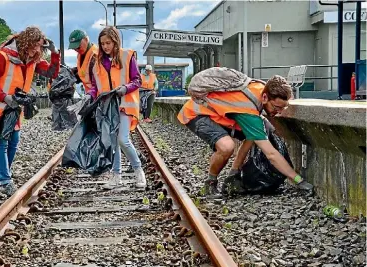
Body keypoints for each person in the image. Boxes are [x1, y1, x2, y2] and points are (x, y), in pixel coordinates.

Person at [178, 73, 314, 196]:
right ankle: (210, 184)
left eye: (282, 108)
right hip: (196, 114)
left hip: (218, 114)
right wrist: (298, 180)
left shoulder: (261, 89)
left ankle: (233, 174)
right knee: (226, 146)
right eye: (276, 107)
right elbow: (271, 154)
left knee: (258, 130)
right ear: (265, 97)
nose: (278, 112)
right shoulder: (248, 110)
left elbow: (253, 134)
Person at [0, 26, 60, 196]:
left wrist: (54, 53)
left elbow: (52, 72)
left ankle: (3, 173)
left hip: (13, 107)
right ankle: (4, 180)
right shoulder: (1, 57)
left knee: (14, 140)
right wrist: (4, 97)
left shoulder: (32, 60)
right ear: (25, 42)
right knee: (2, 141)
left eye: (39, 46)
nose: (36, 50)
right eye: (34, 45)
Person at [88, 26, 146, 189]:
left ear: (115, 41)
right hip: (107, 107)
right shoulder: (97, 60)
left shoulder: (127, 56)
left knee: (123, 140)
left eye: (108, 43)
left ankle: (138, 171)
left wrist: (125, 88)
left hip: (125, 104)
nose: (106, 46)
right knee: (112, 142)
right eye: (103, 43)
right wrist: (90, 96)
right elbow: (95, 85)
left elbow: (137, 80)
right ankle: (116, 176)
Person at [67, 30, 98, 97]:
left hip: (97, 97)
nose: (77, 50)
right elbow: (83, 72)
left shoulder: (95, 56)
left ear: (86, 40)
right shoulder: (80, 55)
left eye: (78, 47)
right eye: (74, 48)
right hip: (89, 96)